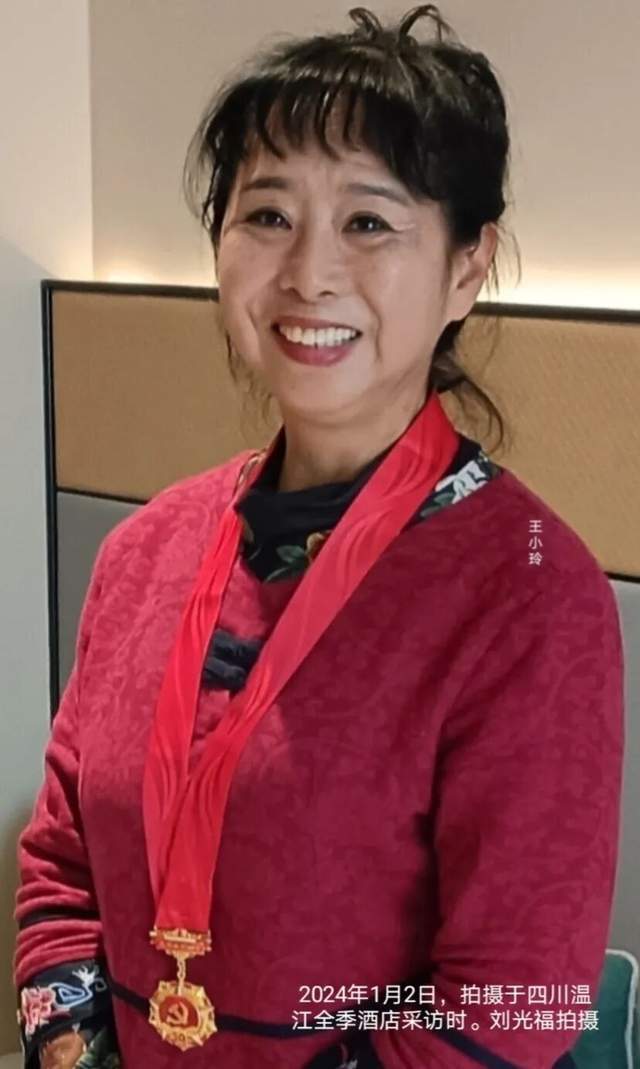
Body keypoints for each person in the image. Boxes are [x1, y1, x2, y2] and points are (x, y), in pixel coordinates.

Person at [14, 5, 624, 1068]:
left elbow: (514, 1002)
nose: (308, 272)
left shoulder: (529, 591)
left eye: (369, 223)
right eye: (267, 215)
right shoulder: (145, 549)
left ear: (467, 265)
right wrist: (75, 1048)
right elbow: (61, 861)